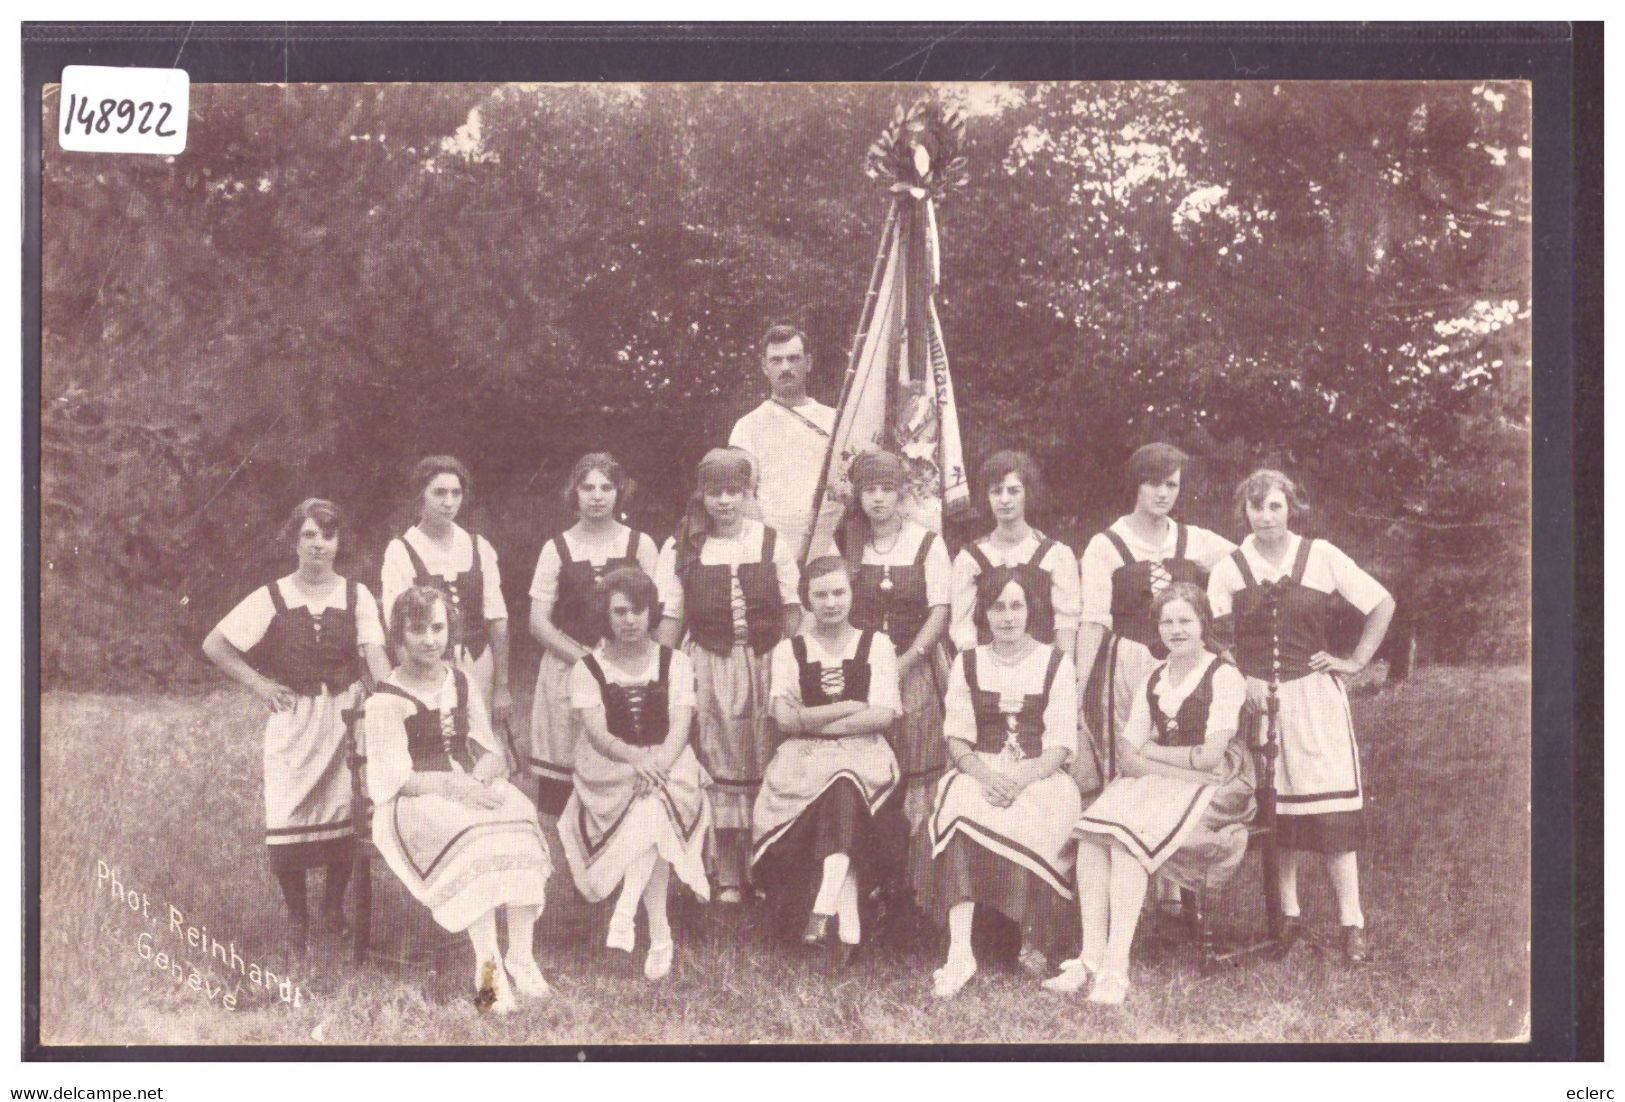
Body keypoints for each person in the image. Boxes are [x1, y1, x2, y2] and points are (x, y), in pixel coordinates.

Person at [1207, 469, 1395, 964]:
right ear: (1242, 511)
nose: (1265, 516)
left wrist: (1354, 662)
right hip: (1259, 706)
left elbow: (1381, 603)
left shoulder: (1321, 556)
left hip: (1315, 702)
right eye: (1255, 507)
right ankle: (1286, 917)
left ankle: (1352, 923)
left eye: (1274, 506)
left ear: (1291, 507)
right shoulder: (1229, 568)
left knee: (1331, 815)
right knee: (1277, 815)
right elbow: (1218, 641)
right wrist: (1238, 676)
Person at [1045, 583, 1254, 1005]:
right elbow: (1129, 753)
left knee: (1126, 844)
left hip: (1223, 785)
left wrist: (1153, 757)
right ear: (1157, 628)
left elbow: (1213, 757)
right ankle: (1089, 957)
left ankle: (1116, 969)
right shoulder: (1155, 677)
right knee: (1091, 835)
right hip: (1173, 777)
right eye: (1167, 622)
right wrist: (1165, 762)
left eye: (1185, 621)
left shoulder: (1223, 675)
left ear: (1202, 624)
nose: (1176, 630)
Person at [203, 499, 391, 947]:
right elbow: (215, 644)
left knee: (347, 813)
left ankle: (332, 909)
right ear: (295, 541)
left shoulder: (356, 595)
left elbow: (375, 654)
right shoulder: (272, 596)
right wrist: (260, 685)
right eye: (309, 535)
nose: (318, 545)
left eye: (327, 536)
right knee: (287, 812)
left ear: (338, 542)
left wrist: (387, 695)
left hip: (346, 717)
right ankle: (297, 918)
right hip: (294, 720)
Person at [365, 586, 553, 1013]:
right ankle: (487, 971)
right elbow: (393, 780)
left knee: (521, 816)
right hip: (412, 801)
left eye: (438, 628)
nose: (430, 639)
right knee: (474, 839)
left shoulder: (461, 681)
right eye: (417, 630)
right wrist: (456, 788)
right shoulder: (385, 699)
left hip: (464, 787)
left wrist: (484, 775)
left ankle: (521, 957)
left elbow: (489, 750)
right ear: (398, 637)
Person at [926, 567, 1082, 999]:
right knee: (958, 808)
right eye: (998, 607)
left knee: (1041, 815)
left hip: (1039, 771)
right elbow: (956, 736)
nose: (1008, 616)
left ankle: (1032, 935)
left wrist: (1020, 781)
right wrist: (986, 775)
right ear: (984, 613)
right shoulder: (968, 661)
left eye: (1016, 605)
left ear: (1031, 610)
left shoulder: (1055, 661)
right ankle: (960, 952)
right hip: (982, 767)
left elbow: (1062, 744)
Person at [655, 447, 801, 902]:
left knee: (765, 759)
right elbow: (672, 619)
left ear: (747, 493)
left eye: (733, 491)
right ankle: (727, 873)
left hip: (765, 665)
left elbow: (793, 612)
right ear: (702, 494)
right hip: (710, 667)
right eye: (715, 492)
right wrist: (659, 674)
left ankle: (767, 865)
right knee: (720, 763)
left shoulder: (772, 542)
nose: (724, 502)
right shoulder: (683, 546)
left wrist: (795, 667)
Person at [557, 567, 711, 981]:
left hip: (668, 760)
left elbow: (680, 726)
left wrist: (656, 764)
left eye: (638, 610)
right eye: (619, 611)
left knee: (655, 803)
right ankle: (657, 932)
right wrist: (634, 760)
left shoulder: (675, 661)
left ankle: (631, 915)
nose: (629, 620)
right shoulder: (588, 668)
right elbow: (597, 733)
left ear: (652, 612)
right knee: (652, 809)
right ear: (605, 616)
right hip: (610, 768)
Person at [752, 556, 902, 963]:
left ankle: (826, 909)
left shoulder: (877, 645)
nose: (831, 602)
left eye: (839, 592)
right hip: (804, 760)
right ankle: (846, 922)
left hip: (865, 753)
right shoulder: (790, 650)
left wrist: (810, 720)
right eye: (820, 594)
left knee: (845, 781)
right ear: (806, 600)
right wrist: (849, 705)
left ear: (852, 595)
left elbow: (884, 714)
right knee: (838, 787)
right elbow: (784, 720)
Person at [1076, 443, 1235, 785]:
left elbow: (1245, 568)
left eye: (1171, 485)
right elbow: (1094, 619)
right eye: (1153, 483)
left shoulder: (1194, 539)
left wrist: (1215, 619)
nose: (1163, 493)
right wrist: (1077, 686)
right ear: (1135, 484)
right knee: (1129, 754)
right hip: (1129, 663)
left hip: (1189, 662)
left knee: (1183, 746)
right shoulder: (1105, 545)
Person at [834, 449, 951, 901]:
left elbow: (939, 609)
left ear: (902, 494)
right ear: (858, 495)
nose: (878, 499)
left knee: (917, 766)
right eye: (870, 490)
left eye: (887, 489)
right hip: (859, 673)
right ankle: (866, 878)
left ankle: (916, 880)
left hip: (916, 669)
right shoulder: (847, 541)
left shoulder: (927, 542)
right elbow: (831, 604)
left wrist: (902, 664)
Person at [527, 453, 660, 816]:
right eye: (588, 487)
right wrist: (587, 662)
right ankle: (566, 863)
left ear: (619, 492)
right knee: (563, 781)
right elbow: (538, 622)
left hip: (627, 670)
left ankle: (619, 859)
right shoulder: (556, 548)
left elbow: (658, 611)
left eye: (606, 487)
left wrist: (629, 662)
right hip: (568, 668)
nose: (597, 496)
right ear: (575, 492)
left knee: (623, 770)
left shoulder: (641, 545)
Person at [381, 456, 513, 733]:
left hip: (478, 662)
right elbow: (396, 626)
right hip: (426, 664)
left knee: (480, 738)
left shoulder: (478, 546)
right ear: (421, 496)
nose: (449, 501)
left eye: (456, 493)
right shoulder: (401, 550)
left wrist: (501, 686)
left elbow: (497, 620)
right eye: (439, 492)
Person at [949, 450, 1080, 658]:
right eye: (996, 491)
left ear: (1028, 492)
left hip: (1041, 674)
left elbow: (1065, 624)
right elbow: (963, 625)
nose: (1004, 499)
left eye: (1013, 491)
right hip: (988, 673)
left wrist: (1061, 674)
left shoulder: (1056, 555)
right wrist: (975, 671)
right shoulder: (970, 558)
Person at [728, 324, 840, 562]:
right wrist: (769, 549)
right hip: (772, 550)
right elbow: (743, 495)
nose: (786, 367)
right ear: (764, 367)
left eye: (793, 358)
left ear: (808, 363)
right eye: (776, 360)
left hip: (828, 546)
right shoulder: (747, 427)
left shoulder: (836, 420)